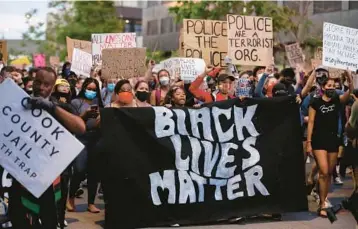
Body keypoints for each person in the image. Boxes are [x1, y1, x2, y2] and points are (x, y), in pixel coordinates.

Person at [8, 67, 85, 229]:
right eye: (38, 82)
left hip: (51, 179)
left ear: (52, 87)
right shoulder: (18, 101)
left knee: (50, 220)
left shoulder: (60, 107)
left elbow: (80, 127)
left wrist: (51, 107)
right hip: (21, 174)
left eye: (47, 84)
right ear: (32, 80)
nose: (41, 88)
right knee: (19, 219)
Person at [306, 72, 353, 217]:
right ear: (323, 87)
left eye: (334, 85)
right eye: (329, 85)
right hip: (318, 140)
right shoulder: (315, 102)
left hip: (334, 140)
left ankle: (324, 200)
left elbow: (350, 92)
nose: (332, 88)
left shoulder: (337, 101)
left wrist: (349, 78)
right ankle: (321, 204)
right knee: (324, 171)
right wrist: (308, 142)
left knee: (328, 175)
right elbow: (311, 122)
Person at [68, 78, 103, 214]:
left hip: (96, 138)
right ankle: (70, 198)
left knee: (94, 172)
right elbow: (73, 121)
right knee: (79, 169)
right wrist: (85, 115)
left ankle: (91, 203)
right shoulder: (76, 102)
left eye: (94, 90)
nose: (92, 92)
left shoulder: (99, 103)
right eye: (89, 89)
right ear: (83, 88)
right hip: (81, 138)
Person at [51, 78, 73, 228]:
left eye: (67, 86)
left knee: (64, 184)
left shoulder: (71, 105)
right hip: (50, 148)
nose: (65, 88)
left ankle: (61, 216)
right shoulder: (50, 103)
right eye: (62, 85)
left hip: (65, 150)